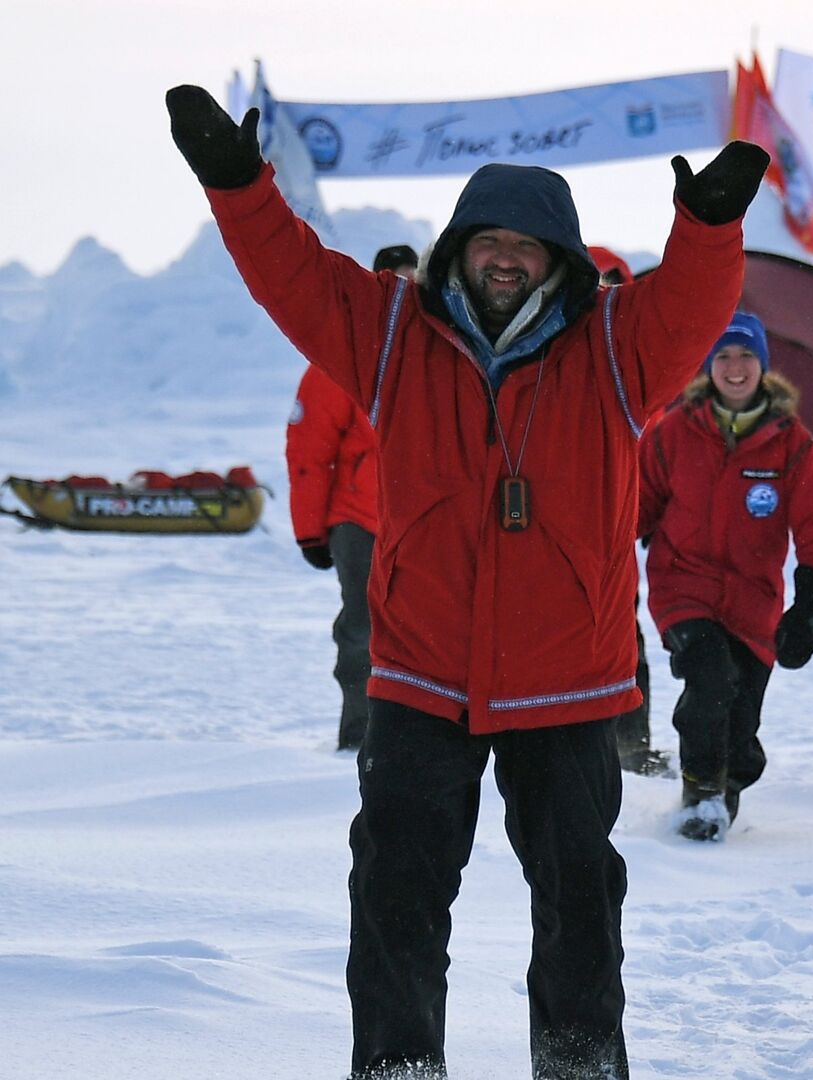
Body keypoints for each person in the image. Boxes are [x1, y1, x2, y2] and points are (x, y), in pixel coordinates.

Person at [165, 84, 768, 1079]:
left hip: (566, 677)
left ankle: (578, 1058)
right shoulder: (394, 331)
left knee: (579, 890)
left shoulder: (617, 346)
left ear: (559, 259)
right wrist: (238, 185)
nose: (505, 257)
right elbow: (293, 276)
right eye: (489, 239)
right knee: (395, 884)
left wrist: (706, 227)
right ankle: (398, 1063)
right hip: (420, 673)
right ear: (458, 247)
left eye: (527, 245)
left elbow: (697, 307)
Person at [635, 311, 813, 841]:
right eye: (724, 356)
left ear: (762, 366)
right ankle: (701, 791)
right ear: (708, 365)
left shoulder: (790, 443)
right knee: (709, 678)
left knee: (741, 712)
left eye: (745, 356)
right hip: (682, 586)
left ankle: (727, 787)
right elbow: (636, 502)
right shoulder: (674, 431)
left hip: (755, 600)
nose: (735, 367)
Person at [284, 243, 414, 751]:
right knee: (361, 631)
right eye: (397, 280)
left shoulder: (437, 351)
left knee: (425, 636)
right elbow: (308, 452)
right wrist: (311, 532)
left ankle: (420, 739)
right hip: (360, 521)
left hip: (419, 520)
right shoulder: (342, 356)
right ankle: (359, 738)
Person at [587, 243, 672, 776]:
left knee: (624, 640)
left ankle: (631, 747)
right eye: (596, 283)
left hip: (620, 531)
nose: (605, 292)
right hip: (569, 528)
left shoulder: (636, 364)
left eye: (614, 283)